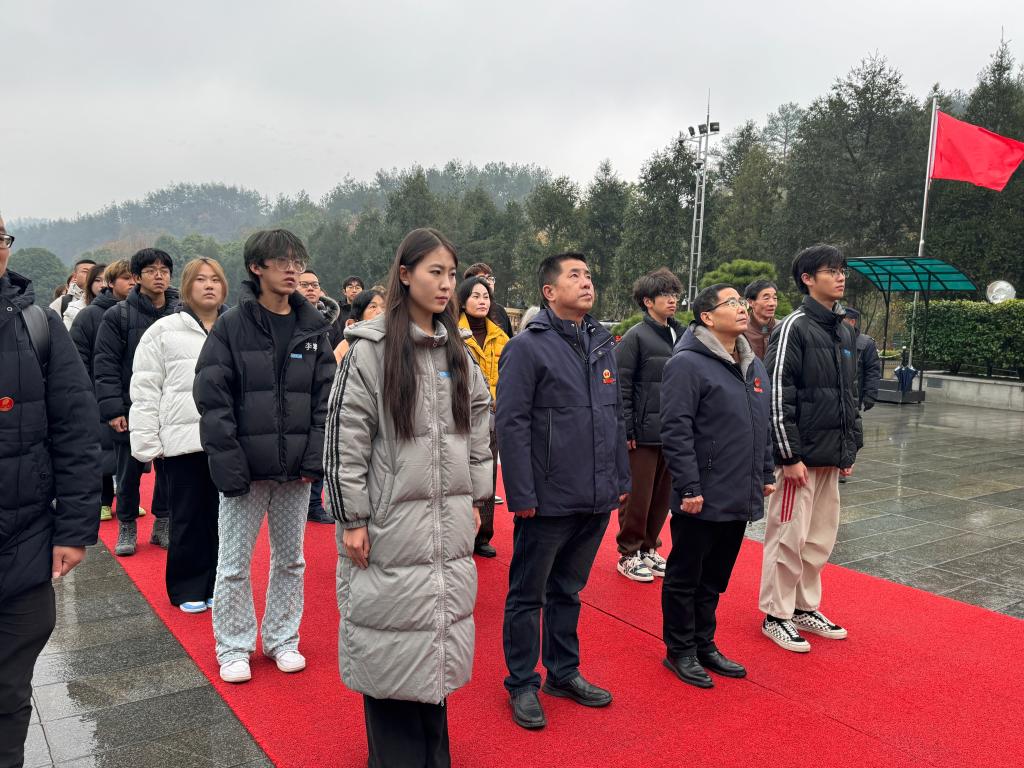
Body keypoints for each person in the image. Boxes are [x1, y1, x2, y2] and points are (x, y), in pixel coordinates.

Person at [324, 227, 492, 768]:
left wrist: (478, 498)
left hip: (447, 519)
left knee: (436, 636)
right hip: (389, 522)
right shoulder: (369, 349)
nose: (445, 284)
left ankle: (433, 756)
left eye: (451, 274)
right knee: (391, 640)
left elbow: (479, 424)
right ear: (404, 274)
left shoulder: (456, 349)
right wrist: (352, 517)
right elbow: (345, 439)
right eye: (434, 272)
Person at [194, 229, 335, 684]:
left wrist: (314, 457)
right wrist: (229, 461)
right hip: (246, 468)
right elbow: (212, 398)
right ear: (257, 267)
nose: (292, 269)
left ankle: (282, 639)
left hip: (295, 470)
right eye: (282, 261)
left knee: (292, 559)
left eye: (297, 261)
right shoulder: (232, 325)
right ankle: (234, 646)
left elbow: (325, 398)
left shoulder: (313, 327)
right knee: (234, 563)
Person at [497, 252, 630, 730]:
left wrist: (620, 480)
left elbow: (614, 417)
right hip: (548, 497)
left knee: (569, 590)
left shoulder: (601, 343)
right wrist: (522, 494)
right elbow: (510, 423)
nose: (586, 282)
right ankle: (521, 683)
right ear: (549, 292)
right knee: (527, 594)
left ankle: (563, 672)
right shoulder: (527, 347)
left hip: (595, 495)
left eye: (589, 275)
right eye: (575, 275)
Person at [0, 214, 101, 767]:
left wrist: (74, 529)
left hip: (23, 542)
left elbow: (75, 431)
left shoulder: (37, 326)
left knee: (8, 692)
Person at [659, 285, 775, 688]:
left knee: (715, 577)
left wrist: (765, 473)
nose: (742, 308)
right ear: (707, 317)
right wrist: (689, 487)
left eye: (742, 302)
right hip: (702, 492)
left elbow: (760, 424)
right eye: (732, 303)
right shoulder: (687, 364)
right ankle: (680, 650)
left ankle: (704, 643)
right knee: (686, 575)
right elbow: (675, 429)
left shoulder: (750, 361)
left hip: (738, 489)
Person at [760, 245, 861, 652]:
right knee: (788, 536)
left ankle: (804, 607)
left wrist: (848, 450)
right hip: (798, 459)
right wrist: (789, 456)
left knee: (819, 539)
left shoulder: (843, 329)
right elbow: (777, 394)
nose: (840, 277)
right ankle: (776, 614)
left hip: (829, 456)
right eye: (831, 270)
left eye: (842, 270)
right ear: (807, 278)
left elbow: (848, 395)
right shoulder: (794, 327)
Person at [130, 258, 228, 613]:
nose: (209, 285)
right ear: (187, 287)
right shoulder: (163, 331)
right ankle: (187, 587)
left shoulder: (235, 327)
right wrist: (147, 441)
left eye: (215, 279)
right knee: (186, 518)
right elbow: (145, 387)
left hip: (227, 442)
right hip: (182, 442)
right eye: (200, 279)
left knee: (224, 520)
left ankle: (219, 584)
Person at [94, 249, 178, 556]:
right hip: (133, 407)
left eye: (164, 270)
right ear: (137, 277)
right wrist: (114, 409)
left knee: (168, 470)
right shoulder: (118, 315)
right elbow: (105, 364)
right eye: (151, 270)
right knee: (128, 471)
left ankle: (162, 524)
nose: (159, 276)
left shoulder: (180, 313)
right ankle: (127, 525)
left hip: (171, 406)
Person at [614, 267, 685, 582]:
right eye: (664, 295)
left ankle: (649, 547)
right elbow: (622, 386)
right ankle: (628, 553)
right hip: (642, 433)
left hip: (671, 431)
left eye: (674, 294)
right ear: (647, 301)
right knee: (638, 496)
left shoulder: (681, 335)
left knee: (662, 497)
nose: (672, 300)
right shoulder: (635, 336)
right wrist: (627, 429)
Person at [457, 275, 509, 557]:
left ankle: (482, 536)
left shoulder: (501, 337)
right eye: (475, 296)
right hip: (460, 415)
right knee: (458, 474)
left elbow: (509, 375)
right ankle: (457, 533)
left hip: (492, 416)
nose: (482, 301)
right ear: (463, 301)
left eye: (486, 297)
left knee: (486, 474)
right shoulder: (452, 333)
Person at [298, 269, 341, 525]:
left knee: (321, 445)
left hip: (324, 387)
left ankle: (315, 502)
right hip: (297, 390)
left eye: (314, 284)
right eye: (304, 284)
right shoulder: (288, 317)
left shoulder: (328, 320)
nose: (311, 289)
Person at [842, 307, 881, 410]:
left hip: (854, 397)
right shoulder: (835, 339)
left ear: (852, 322)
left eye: (842, 321)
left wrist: (870, 395)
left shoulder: (866, 343)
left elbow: (873, 371)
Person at [333, 288, 385, 362]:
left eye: (383, 307)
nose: (380, 311)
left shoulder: (395, 339)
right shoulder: (346, 346)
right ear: (359, 315)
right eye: (373, 307)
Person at [464, 262, 514, 337]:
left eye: (490, 278)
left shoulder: (500, 311)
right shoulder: (458, 314)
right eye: (482, 279)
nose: (488, 282)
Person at [49, 257, 96, 328]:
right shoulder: (61, 302)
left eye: (93, 273)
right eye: (85, 272)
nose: (90, 275)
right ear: (75, 276)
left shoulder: (104, 300)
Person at [742, 279, 779, 359]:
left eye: (775, 298)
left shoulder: (783, 328)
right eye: (766, 298)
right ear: (750, 302)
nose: (772, 303)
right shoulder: (741, 330)